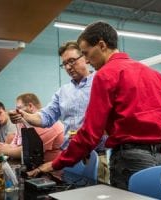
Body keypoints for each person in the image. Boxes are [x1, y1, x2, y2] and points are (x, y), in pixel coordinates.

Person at [23, 21, 161, 190]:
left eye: (87, 53)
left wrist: (56, 163)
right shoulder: (155, 74)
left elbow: (90, 133)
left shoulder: (105, 75)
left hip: (129, 160)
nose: (87, 60)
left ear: (102, 45)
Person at [9, 41, 109, 182]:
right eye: (65, 64)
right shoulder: (63, 92)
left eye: (72, 61)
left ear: (85, 58)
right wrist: (25, 116)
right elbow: (45, 117)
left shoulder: (100, 82)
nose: (68, 67)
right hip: (69, 157)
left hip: (94, 156)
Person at [0, 93, 64, 163]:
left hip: (50, 172)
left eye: (19, 108)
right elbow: (15, 143)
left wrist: (4, 150)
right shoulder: (24, 122)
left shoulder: (47, 124)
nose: (16, 112)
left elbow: (29, 150)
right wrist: (6, 147)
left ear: (30, 106)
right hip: (35, 167)